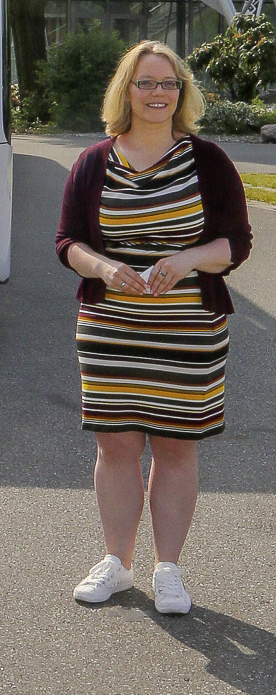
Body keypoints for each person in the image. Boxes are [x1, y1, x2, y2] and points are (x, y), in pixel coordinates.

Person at [57, 38, 251, 615]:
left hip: (188, 332)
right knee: (115, 446)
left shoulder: (208, 161)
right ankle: (117, 563)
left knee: (174, 449)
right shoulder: (93, 162)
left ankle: (169, 570)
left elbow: (236, 243)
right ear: (127, 90)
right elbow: (68, 242)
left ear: (182, 92)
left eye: (169, 83)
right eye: (146, 83)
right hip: (110, 327)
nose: (158, 93)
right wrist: (106, 268)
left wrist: (189, 259)